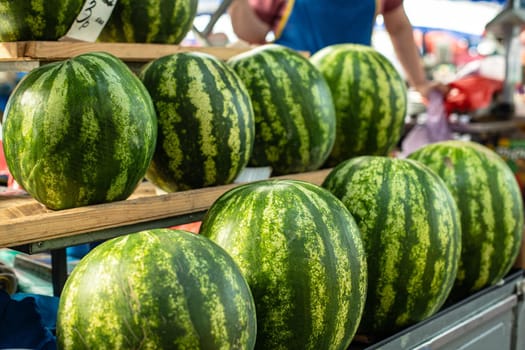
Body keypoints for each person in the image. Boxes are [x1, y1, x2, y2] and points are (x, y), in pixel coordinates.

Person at [227, 0, 443, 98]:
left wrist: (420, 83)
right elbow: (251, 34)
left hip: (357, 90)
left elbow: (399, 28)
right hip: (292, 92)